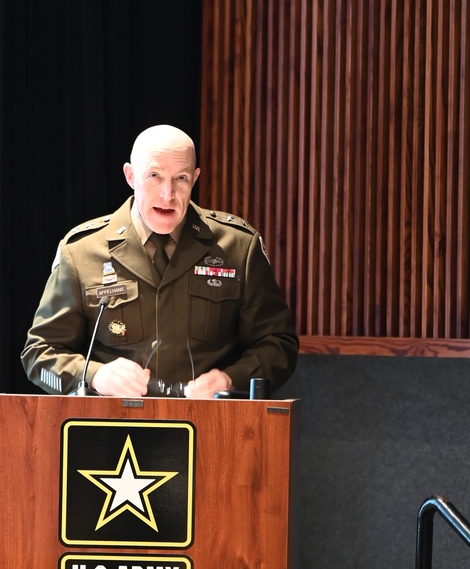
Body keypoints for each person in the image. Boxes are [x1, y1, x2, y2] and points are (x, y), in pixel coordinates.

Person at [22, 125, 298, 398]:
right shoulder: (82, 251)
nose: (168, 194)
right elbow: (39, 355)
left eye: (181, 178)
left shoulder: (237, 247)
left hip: (213, 427)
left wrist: (229, 380)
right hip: (111, 429)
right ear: (131, 176)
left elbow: (278, 346)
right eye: (154, 175)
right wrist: (95, 376)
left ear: (195, 178)